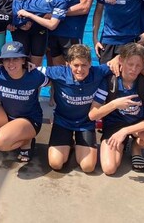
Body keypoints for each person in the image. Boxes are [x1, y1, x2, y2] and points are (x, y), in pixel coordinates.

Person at [89, 43, 144, 175]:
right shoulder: (110, 81)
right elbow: (93, 115)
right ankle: (122, 144)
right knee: (109, 168)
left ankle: (136, 146)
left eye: (138, 66)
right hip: (115, 124)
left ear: (143, 66)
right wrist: (115, 104)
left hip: (139, 125)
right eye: (130, 64)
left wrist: (125, 131)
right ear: (121, 61)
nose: (133, 69)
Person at [43, 44, 110, 173]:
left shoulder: (98, 72)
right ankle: (69, 142)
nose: (80, 69)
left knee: (88, 167)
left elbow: (121, 63)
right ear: (68, 64)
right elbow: (34, 71)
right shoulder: (59, 72)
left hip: (85, 123)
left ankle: (74, 143)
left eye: (84, 65)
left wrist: (117, 60)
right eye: (76, 65)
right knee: (56, 164)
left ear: (90, 64)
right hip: (62, 122)